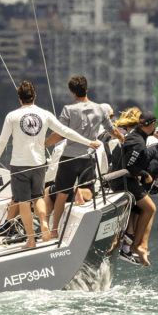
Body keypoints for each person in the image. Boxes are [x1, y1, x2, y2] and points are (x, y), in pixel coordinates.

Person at [0, 81, 101, 248]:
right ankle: (44, 223)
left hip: (19, 165)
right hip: (39, 163)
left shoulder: (12, 116)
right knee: (38, 197)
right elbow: (65, 131)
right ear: (34, 96)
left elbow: (2, 140)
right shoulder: (45, 114)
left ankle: (31, 240)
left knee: (24, 202)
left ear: (19, 98)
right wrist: (89, 142)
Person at [45, 76, 124, 239]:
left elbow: (60, 134)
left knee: (61, 194)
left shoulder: (68, 109)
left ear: (72, 92)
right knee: (89, 191)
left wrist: (44, 144)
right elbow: (111, 130)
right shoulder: (100, 109)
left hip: (68, 157)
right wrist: (122, 138)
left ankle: (54, 230)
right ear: (87, 89)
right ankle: (79, 192)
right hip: (87, 157)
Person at [116, 111, 158, 266]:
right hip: (123, 181)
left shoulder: (137, 135)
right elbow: (129, 166)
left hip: (127, 179)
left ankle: (132, 243)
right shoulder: (138, 142)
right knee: (150, 208)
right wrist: (144, 174)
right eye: (154, 124)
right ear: (151, 125)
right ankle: (136, 245)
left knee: (142, 208)